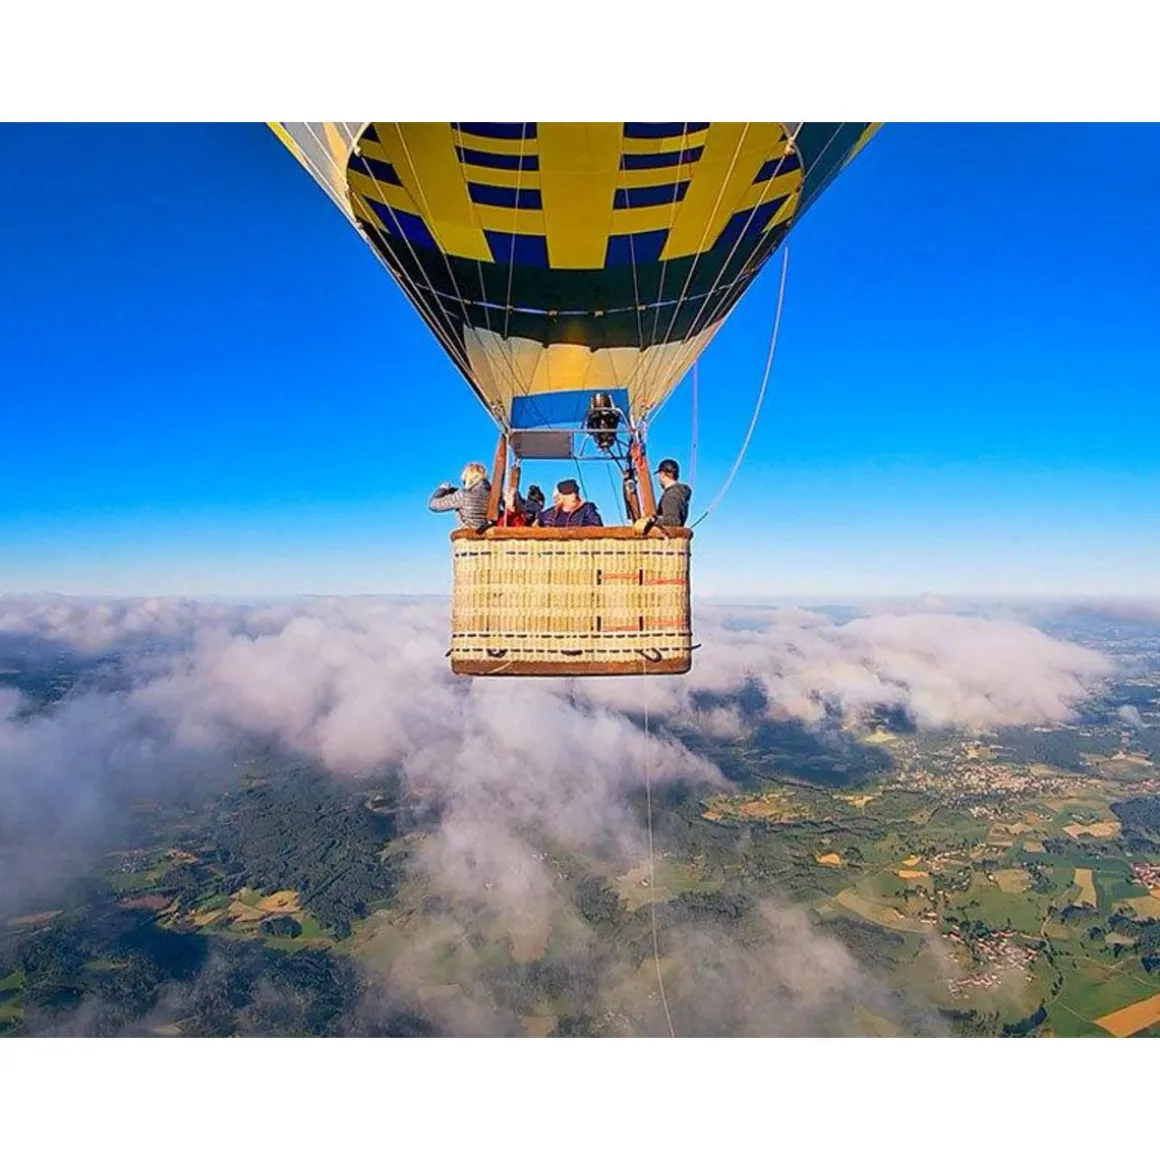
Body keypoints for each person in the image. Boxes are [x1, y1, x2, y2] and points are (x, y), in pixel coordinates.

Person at [428, 462, 492, 530]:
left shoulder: (463, 495)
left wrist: (442, 489)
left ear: (469, 479)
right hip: (486, 532)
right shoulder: (491, 494)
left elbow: (433, 505)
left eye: (464, 481)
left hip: (468, 533)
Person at [633, 457, 692, 531]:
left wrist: (652, 520)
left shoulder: (671, 495)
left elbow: (673, 522)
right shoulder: (678, 492)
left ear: (662, 474)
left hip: (669, 537)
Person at [538, 478, 602, 527]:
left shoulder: (587, 509)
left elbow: (597, 527)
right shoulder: (547, 515)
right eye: (569, 494)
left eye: (575, 493)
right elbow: (536, 528)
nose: (574, 496)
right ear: (560, 497)